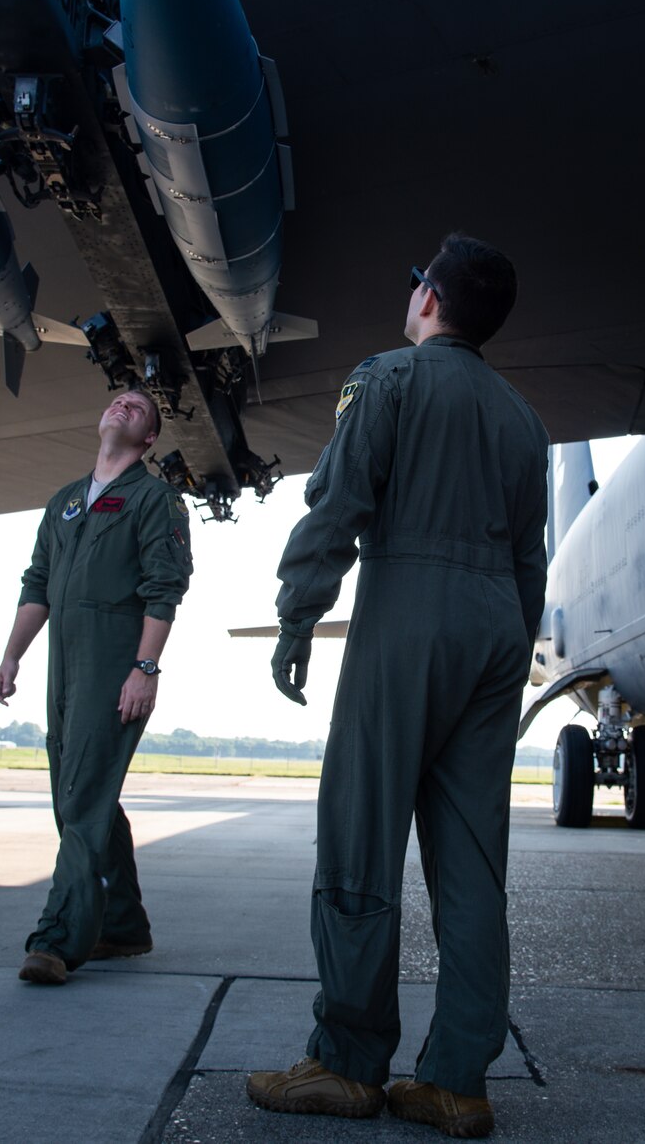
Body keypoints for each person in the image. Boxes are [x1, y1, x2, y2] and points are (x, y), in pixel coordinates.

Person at [246, 234, 548, 1139]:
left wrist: (299, 611)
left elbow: (338, 504)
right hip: (497, 629)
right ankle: (457, 1078)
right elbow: (532, 554)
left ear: (428, 300)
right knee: (471, 861)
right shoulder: (524, 418)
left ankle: (348, 1059)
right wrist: (506, 647)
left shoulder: (388, 379)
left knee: (358, 831)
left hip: (408, 609)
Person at [0, 386, 192, 985]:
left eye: (139, 407)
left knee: (81, 796)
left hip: (114, 663)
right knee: (81, 791)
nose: (123, 405)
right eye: (116, 400)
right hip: (63, 664)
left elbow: (165, 589)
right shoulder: (66, 503)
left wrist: (145, 669)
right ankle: (124, 927)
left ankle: (59, 938)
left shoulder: (155, 500)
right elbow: (37, 585)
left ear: (150, 438)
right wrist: (11, 657)